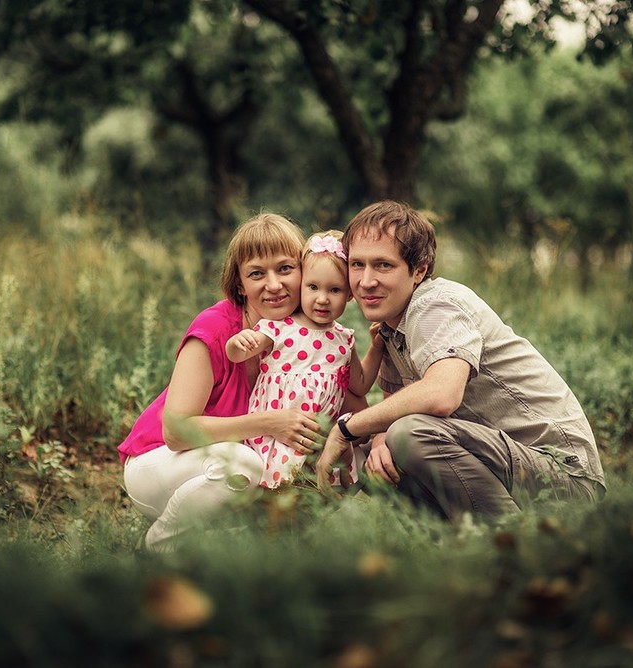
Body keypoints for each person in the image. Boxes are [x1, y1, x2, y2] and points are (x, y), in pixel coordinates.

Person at [315, 200, 606, 519]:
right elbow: (395, 404)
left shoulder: (436, 306)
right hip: (498, 461)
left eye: (383, 265)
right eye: (357, 265)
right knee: (368, 458)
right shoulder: (389, 328)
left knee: (409, 435)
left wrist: (346, 428)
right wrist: (379, 440)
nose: (366, 281)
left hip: (562, 475)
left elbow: (441, 394)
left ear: (419, 270)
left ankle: (515, 541)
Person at [118, 213, 325, 552]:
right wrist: (268, 423)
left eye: (286, 268)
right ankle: (157, 546)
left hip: (224, 471)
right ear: (240, 284)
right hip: (160, 465)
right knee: (245, 463)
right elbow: (176, 432)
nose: (273, 285)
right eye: (257, 273)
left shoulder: (305, 334)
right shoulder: (214, 329)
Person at [226, 231, 385, 489]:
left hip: (318, 435)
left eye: (334, 290)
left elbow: (360, 384)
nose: (322, 299)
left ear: (349, 295)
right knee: (275, 490)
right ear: (301, 285)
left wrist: (377, 348)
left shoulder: (344, 339)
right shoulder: (278, 327)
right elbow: (238, 355)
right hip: (277, 431)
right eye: (313, 287)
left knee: (314, 491)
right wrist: (237, 343)